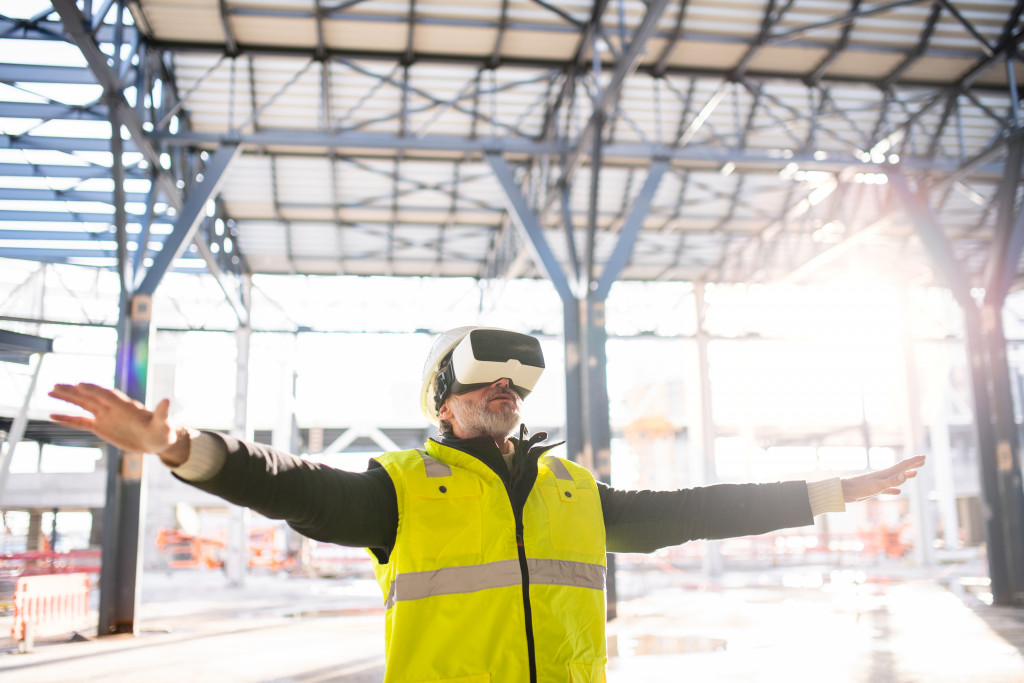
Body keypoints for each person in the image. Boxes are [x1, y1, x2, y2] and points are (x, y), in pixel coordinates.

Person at [49, 326, 926, 683]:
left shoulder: (572, 487)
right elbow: (287, 484)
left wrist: (835, 491)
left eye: (514, 382)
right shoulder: (397, 488)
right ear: (445, 404)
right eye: (482, 381)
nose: (504, 389)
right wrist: (176, 447)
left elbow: (699, 507)